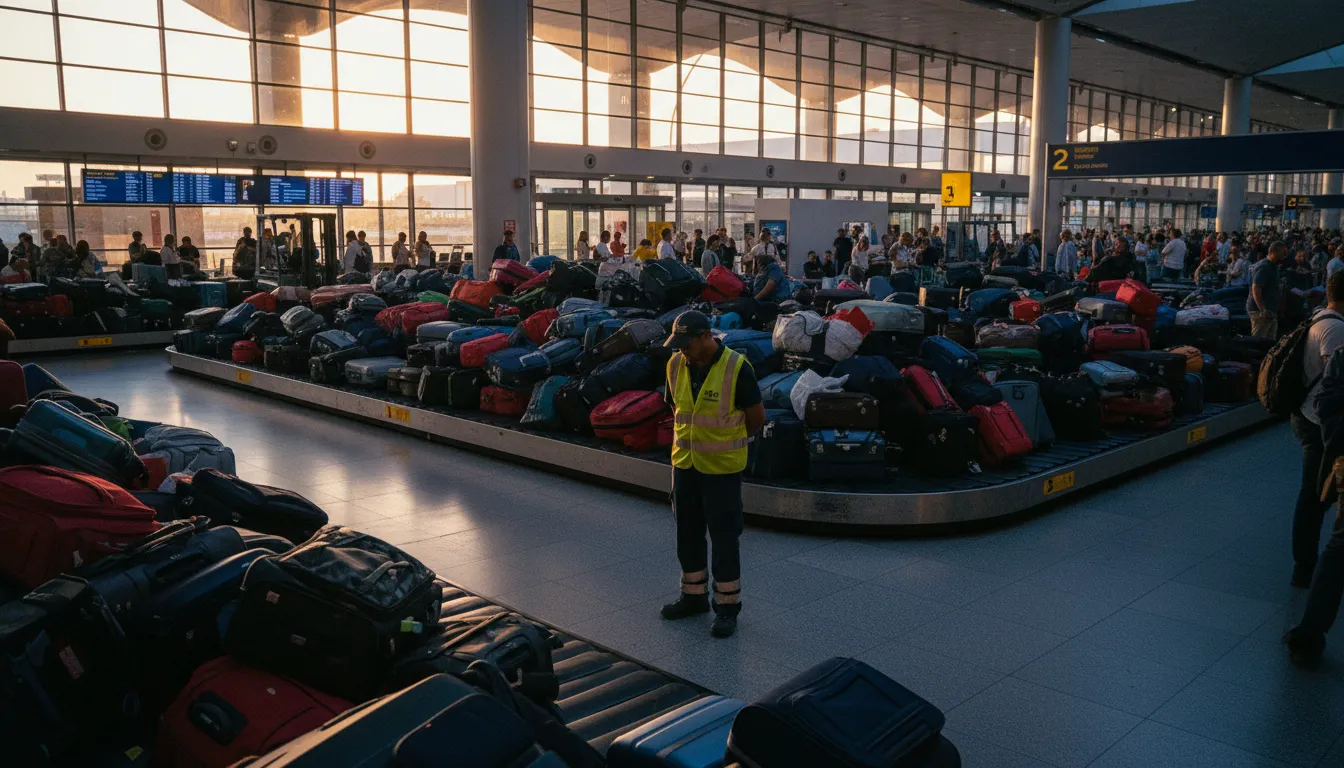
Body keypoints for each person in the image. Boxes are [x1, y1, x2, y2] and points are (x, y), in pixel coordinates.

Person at [659, 310, 766, 639]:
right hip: (685, 466)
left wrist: (727, 444)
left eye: (687, 343)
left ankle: (726, 608)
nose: (682, 350)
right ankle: (693, 598)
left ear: (706, 336)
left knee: (724, 539)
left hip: (721, 470)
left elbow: (756, 418)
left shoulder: (736, 368)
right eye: (678, 345)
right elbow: (674, 408)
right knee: (687, 535)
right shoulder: (675, 364)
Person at [1288, 272, 1344, 597]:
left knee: (1314, 494)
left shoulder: (1320, 316)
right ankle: (1305, 569)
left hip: (1306, 414)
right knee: (1314, 496)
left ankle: (1305, 566)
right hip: (1318, 422)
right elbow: (1335, 381)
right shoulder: (1335, 329)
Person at [1247, 240, 1286, 339]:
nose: (1284, 255)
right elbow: (1256, 288)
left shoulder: (1273, 266)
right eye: (1283, 252)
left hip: (1270, 310)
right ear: (1273, 252)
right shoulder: (1264, 267)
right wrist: (1262, 309)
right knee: (1259, 342)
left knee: (1269, 343)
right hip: (1261, 312)